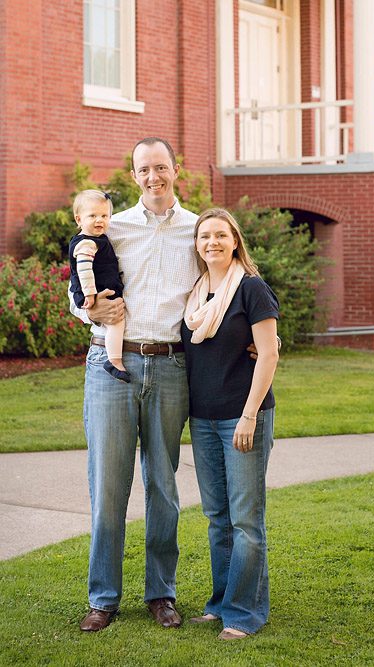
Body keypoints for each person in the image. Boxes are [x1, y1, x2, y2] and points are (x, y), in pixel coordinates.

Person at [74, 137, 201, 632]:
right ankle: (103, 598)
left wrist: (255, 334)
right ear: (134, 176)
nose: (154, 176)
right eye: (144, 169)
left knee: (163, 485)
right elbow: (78, 286)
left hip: (170, 366)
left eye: (161, 167)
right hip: (111, 364)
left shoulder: (196, 229)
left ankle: (161, 593)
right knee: (108, 485)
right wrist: (89, 308)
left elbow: (226, 280)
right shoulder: (111, 227)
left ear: (175, 170)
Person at [181, 208, 279, 640]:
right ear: (197, 245)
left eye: (220, 235)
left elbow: (269, 353)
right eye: (204, 236)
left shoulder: (252, 290)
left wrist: (248, 415)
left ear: (234, 241)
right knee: (217, 516)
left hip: (243, 416)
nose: (212, 242)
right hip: (203, 418)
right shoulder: (196, 295)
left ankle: (244, 614)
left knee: (245, 519)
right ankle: (220, 603)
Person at [68, 189, 129, 382]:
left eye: (104, 216)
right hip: (97, 292)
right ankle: (114, 361)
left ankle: (114, 359)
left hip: (101, 288)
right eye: (92, 216)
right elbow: (84, 271)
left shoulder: (97, 239)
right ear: (79, 220)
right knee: (116, 321)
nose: (99, 220)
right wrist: (90, 295)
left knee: (116, 322)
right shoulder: (87, 243)